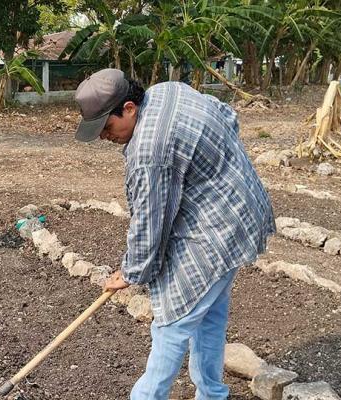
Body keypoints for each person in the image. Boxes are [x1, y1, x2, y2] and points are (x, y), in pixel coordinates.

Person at [73, 69, 275, 399]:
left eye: (106, 127)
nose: (103, 137)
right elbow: (227, 115)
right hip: (242, 206)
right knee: (209, 314)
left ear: (128, 108)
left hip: (219, 228)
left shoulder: (149, 150)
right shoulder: (165, 91)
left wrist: (130, 271)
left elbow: (150, 221)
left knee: (172, 324)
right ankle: (212, 394)